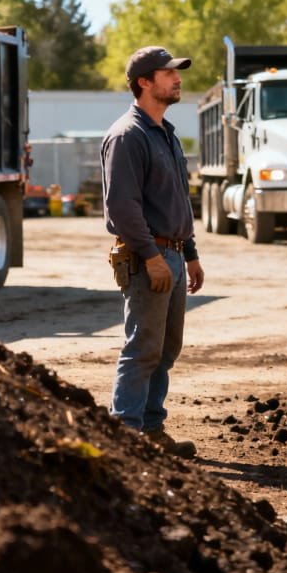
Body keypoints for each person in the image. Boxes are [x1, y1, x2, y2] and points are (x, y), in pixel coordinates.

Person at [101, 46, 205, 459]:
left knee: (165, 350)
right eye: (168, 73)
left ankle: (150, 430)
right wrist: (151, 256)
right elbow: (121, 208)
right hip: (150, 259)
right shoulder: (128, 135)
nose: (177, 79)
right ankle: (127, 438)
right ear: (144, 82)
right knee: (142, 347)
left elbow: (178, 196)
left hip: (175, 256)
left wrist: (190, 252)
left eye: (177, 72)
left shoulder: (165, 132)